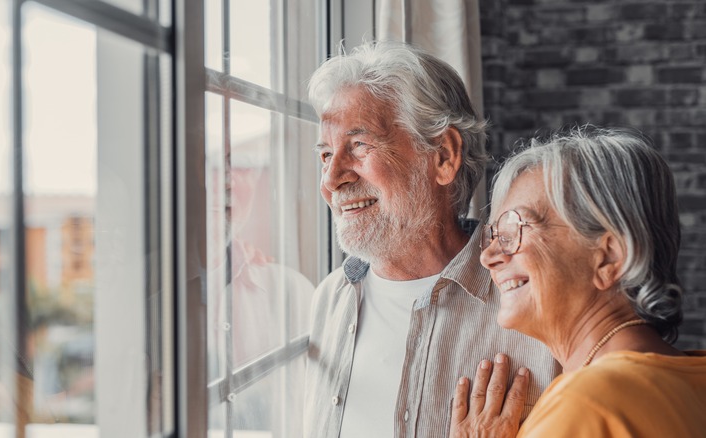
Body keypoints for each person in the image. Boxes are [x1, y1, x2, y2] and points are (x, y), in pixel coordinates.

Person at [302, 41, 559, 438]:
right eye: (324, 154)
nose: (331, 180)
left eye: (358, 145)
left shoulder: (538, 303)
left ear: (443, 157)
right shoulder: (328, 300)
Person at [449, 127, 706, 437]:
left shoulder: (586, 406)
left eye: (513, 230)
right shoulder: (691, 381)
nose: (489, 257)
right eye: (494, 236)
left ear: (609, 257)